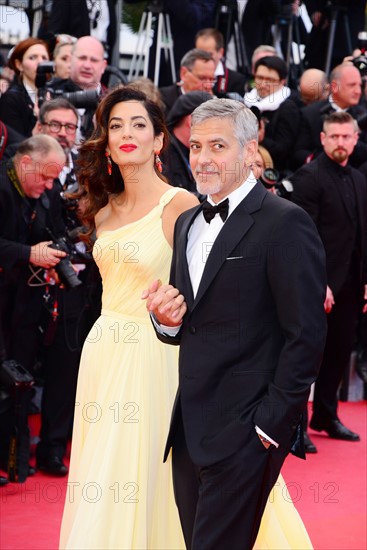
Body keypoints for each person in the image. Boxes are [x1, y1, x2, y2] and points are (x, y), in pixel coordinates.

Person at [143, 98, 327, 549]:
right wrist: (166, 321)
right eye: (196, 146)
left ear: (250, 151)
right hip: (188, 430)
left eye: (218, 146)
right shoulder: (187, 222)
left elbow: (305, 335)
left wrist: (268, 428)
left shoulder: (285, 222)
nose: (203, 158)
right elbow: (188, 322)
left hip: (246, 430)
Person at [59, 86, 198, 549]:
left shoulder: (180, 205)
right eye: (115, 125)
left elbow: (207, 291)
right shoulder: (102, 209)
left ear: (159, 140)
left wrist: (176, 313)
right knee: (104, 466)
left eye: (139, 124)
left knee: (147, 464)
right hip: (103, 350)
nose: (126, 133)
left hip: (155, 354)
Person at [34, 98, 101, 476]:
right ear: (40, 126)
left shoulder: (86, 170)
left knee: (67, 366)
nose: (63, 132)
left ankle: (55, 446)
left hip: (78, 281)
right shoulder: (22, 163)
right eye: (55, 125)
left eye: (69, 127)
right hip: (29, 280)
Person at [291, 111, 366, 447]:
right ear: (323, 139)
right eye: (333, 137)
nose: (340, 142)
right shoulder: (310, 177)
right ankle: (297, 427)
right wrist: (317, 282)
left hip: (351, 281)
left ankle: (326, 414)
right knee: (307, 357)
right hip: (318, 283)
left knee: (338, 351)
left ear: (355, 138)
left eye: (345, 136)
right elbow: (304, 238)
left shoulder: (360, 179)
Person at [0, 134, 67, 479]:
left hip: (23, 306)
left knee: (19, 381)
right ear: (25, 163)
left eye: (54, 178)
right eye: (45, 176)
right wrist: (29, 253)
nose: (49, 185)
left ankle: (14, 460)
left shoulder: (40, 196)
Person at [0, 38, 50, 137]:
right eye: (32, 58)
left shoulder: (54, 94)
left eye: (44, 58)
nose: (40, 62)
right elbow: (13, 146)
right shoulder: (11, 99)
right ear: (19, 65)